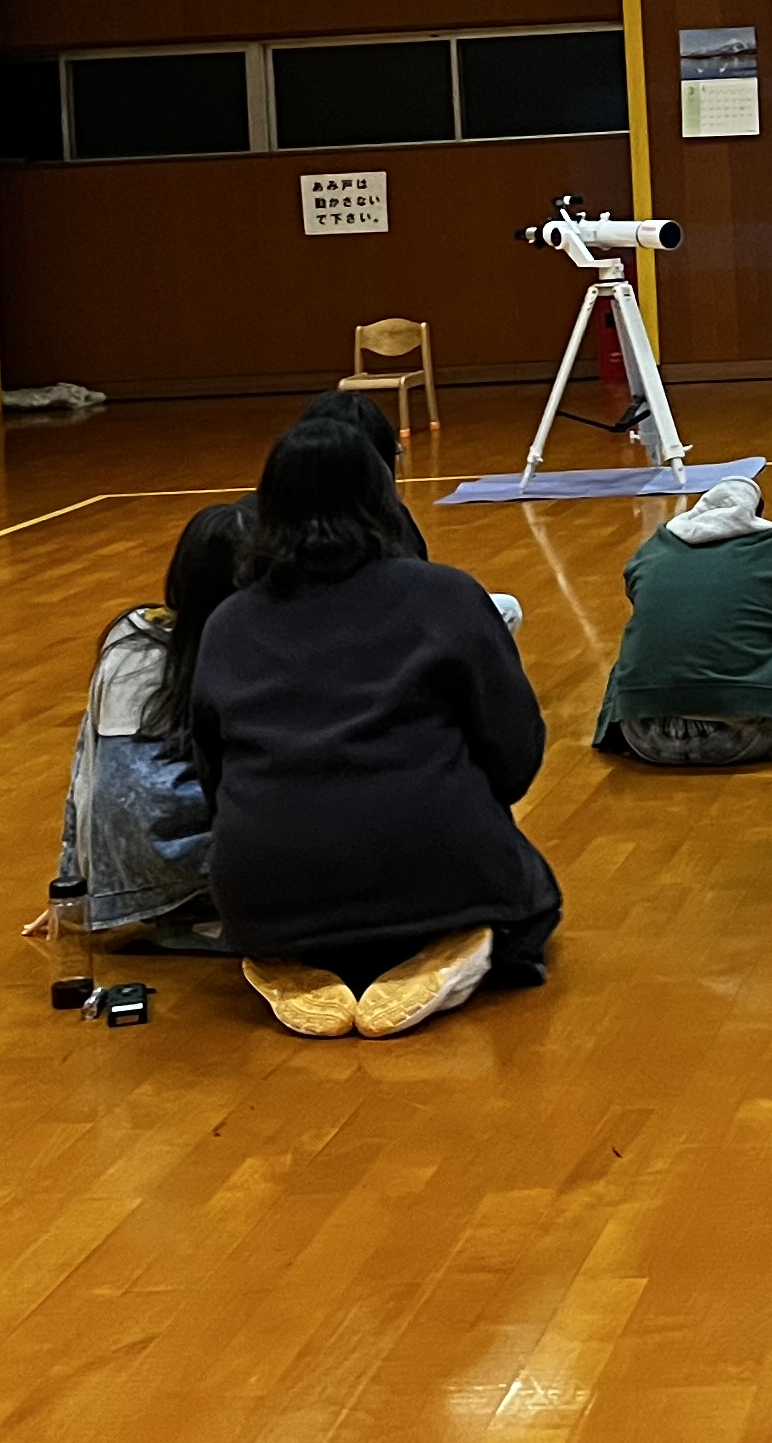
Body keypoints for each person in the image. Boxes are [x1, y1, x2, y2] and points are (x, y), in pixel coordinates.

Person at [195, 414, 558, 1040]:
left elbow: (213, 772)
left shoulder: (227, 623)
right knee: (532, 896)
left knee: (295, 904)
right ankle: (456, 953)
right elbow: (515, 751)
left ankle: (287, 960)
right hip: (436, 866)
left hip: (266, 888)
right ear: (382, 497)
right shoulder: (446, 595)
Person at [45, 502, 246, 943]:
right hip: (199, 867)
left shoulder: (127, 640)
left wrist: (73, 888)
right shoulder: (239, 652)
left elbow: (85, 771)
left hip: (118, 876)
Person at [594, 475, 772, 765]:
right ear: (755, 515)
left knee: (649, 633)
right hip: (740, 738)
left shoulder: (651, 552)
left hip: (644, 736)